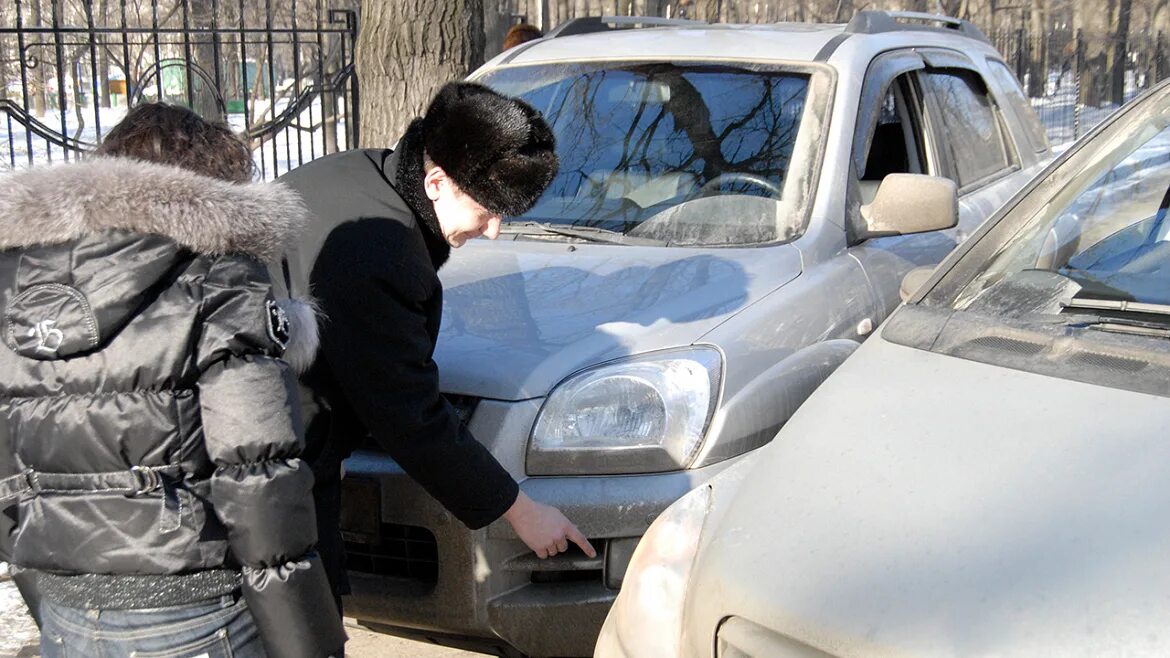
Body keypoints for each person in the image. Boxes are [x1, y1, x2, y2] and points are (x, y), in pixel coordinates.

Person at [0, 103, 345, 658]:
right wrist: (309, 644)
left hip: (67, 615)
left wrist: (47, 590)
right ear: (212, 188)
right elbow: (257, 478)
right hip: (194, 612)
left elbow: (8, 471)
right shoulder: (220, 279)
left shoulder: (14, 287)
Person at [277, 82, 596, 611]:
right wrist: (519, 510)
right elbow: (410, 416)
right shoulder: (381, 254)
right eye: (487, 210)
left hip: (267, 445)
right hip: (280, 466)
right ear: (436, 182)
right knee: (306, 627)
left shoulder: (356, 173)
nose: (494, 231)